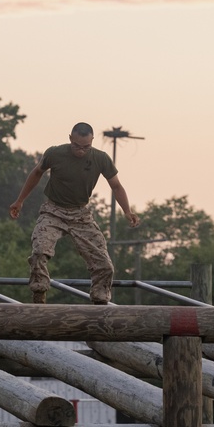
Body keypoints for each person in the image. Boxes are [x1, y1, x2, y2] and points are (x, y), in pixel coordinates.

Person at [9, 122, 139, 304]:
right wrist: (20, 200)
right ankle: (39, 291)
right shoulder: (55, 153)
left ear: (92, 141)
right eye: (76, 146)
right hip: (53, 211)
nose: (81, 151)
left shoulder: (100, 158)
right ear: (70, 138)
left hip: (80, 214)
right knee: (39, 251)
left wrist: (127, 211)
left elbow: (116, 186)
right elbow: (36, 173)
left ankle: (100, 300)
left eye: (86, 147)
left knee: (105, 264)